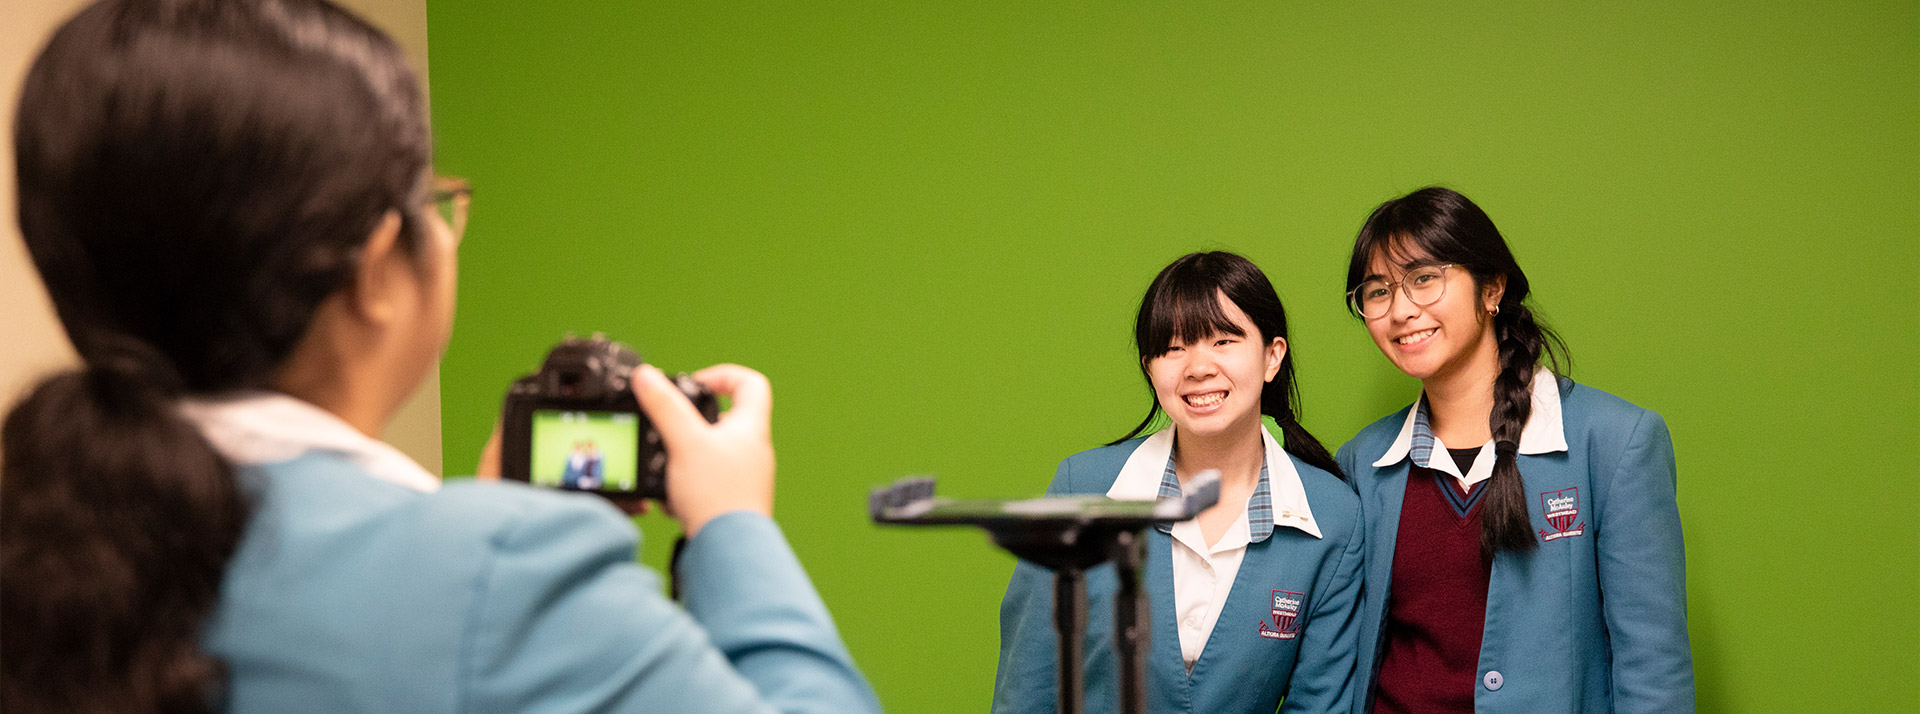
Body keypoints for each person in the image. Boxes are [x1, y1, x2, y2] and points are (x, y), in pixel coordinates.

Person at [0, 1, 880, 713]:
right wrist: (734, 530)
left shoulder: (36, 535)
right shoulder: (496, 578)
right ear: (379, 269)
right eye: (435, 201)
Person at [1335, 187, 1693, 714]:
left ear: (1492, 287)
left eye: (1424, 279)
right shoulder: (1362, 463)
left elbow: (1654, 670)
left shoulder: (1615, 442)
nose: (1401, 311)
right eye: (1377, 291)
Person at [994, 252, 1365, 714]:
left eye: (1224, 341)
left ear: (1273, 357)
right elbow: (1029, 685)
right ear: (1151, 368)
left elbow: (1318, 704)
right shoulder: (1081, 488)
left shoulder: (1335, 519)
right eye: (1173, 348)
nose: (1197, 367)